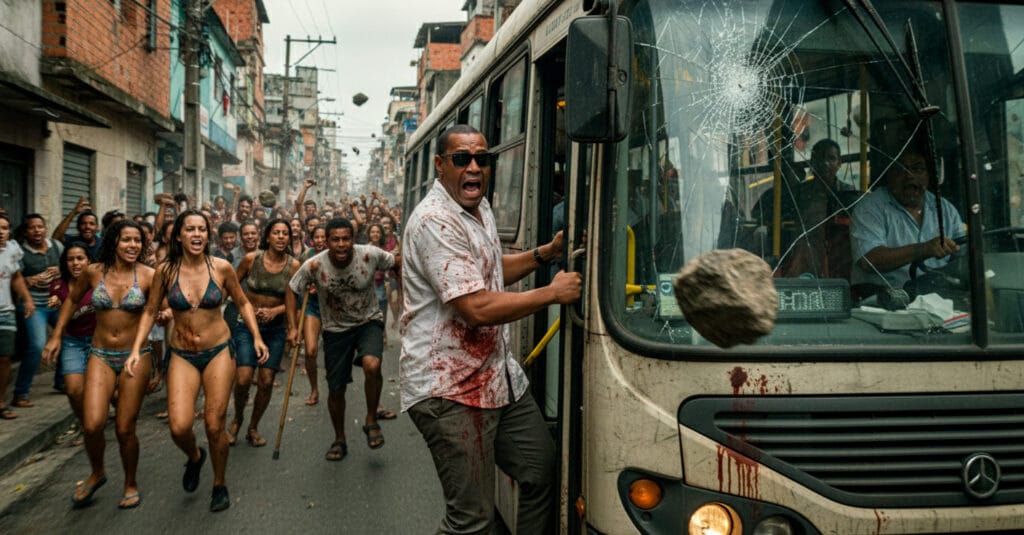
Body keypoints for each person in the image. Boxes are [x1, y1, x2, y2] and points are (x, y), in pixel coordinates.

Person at [400, 124, 582, 533]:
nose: (475, 167)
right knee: (472, 520)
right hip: (449, 391)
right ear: (441, 165)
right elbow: (476, 307)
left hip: (495, 378)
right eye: (462, 159)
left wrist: (544, 254)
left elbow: (486, 272)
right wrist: (552, 294)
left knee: (539, 470)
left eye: (483, 158)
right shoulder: (434, 221)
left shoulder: (477, 207)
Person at [126, 210, 268, 512]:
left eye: (202, 229)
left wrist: (256, 337)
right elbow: (150, 311)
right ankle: (195, 457)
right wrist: (137, 348)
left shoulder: (222, 267)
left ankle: (219, 484)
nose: (197, 234)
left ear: (208, 234)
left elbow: (242, 301)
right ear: (179, 235)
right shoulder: (165, 270)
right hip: (182, 354)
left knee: (214, 424)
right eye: (190, 229)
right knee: (179, 427)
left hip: (217, 350)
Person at [42, 221, 154, 510]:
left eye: (137, 240)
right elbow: (72, 301)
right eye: (126, 239)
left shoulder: (149, 275)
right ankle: (97, 472)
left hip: (136, 356)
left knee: (124, 428)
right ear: (113, 242)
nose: (133, 245)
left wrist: (165, 314)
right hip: (101, 354)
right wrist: (56, 336)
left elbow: (157, 310)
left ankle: (130, 482)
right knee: (91, 424)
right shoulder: (94, 272)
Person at [285, 218, 398, 461]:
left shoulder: (370, 254)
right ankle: (339, 438)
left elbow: (395, 263)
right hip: (335, 329)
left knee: (372, 364)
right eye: (335, 239)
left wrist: (408, 299)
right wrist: (293, 327)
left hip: (368, 321)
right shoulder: (315, 265)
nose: (341, 244)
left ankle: (370, 420)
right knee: (336, 389)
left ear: (353, 239)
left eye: (346, 238)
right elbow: (292, 289)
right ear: (326, 242)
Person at [851, 146, 965, 290]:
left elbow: (963, 252)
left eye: (917, 169)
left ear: (928, 176)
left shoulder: (945, 208)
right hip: (885, 302)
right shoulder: (869, 207)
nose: (909, 175)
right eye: (900, 169)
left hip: (938, 300)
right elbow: (869, 260)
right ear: (889, 175)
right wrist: (923, 249)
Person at [228, 219, 299, 447]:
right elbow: (231, 285)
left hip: (275, 330)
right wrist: (244, 304)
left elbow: (291, 299)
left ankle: (253, 426)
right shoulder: (252, 260)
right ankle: (237, 418)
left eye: (285, 233)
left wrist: (289, 324)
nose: (280, 237)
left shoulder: (293, 265)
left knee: (266, 381)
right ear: (267, 237)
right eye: (276, 233)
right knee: (244, 377)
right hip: (246, 326)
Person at [15, 214, 64, 404]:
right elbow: (13, 277)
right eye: (32, 228)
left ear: (45, 228)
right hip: (33, 306)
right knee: (37, 345)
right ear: (25, 232)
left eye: (40, 227)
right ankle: (21, 393)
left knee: (69, 336)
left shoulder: (56, 246)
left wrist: (60, 271)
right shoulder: (19, 251)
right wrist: (27, 280)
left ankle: (61, 381)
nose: (37, 231)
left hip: (56, 302)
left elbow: (72, 266)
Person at [45, 243, 94, 425]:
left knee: (111, 392)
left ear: (89, 261)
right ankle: (86, 426)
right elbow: (57, 298)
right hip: (72, 342)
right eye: (70, 259)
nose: (75, 263)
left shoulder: (98, 283)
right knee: (74, 391)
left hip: (99, 342)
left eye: (80, 258)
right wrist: (55, 301)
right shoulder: (59, 286)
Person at [0, 214, 34, 420]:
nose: (1, 232)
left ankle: (1, 402)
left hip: (6, 311)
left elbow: (16, 277)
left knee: (4, 358)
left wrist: (27, 299)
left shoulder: (12, 250)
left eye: (4, 228)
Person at [300, 225, 326, 406]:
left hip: (333, 308)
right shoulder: (306, 257)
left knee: (333, 355)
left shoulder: (337, 256)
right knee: (310, 351)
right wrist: (307, 286)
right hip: (312, 307)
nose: (320, 241)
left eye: (323, 237)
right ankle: (314, 389)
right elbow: (297, 283)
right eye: (316, 237)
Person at [52, 196, 101, 261]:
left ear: (97, 227)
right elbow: (56, 237)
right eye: (83, 223)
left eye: (91, 224)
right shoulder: (73, 242)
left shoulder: (103, 244)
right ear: (78, 226)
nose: (87, 227)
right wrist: (74, 212)